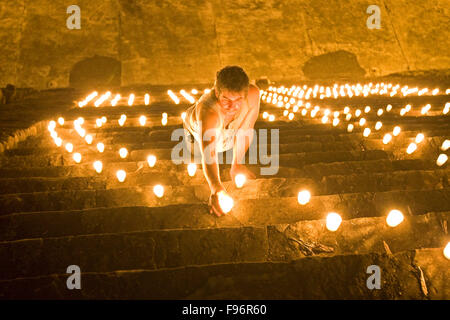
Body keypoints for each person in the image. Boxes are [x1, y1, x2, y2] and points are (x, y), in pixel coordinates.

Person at [183, 66, 261, 217]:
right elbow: (209, 153)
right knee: (195, 151)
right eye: (226, 99)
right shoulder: (209, 112)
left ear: (245, 94)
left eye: (238, 99)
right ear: (217, 92)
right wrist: (216, 187)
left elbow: (247, 128)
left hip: (225, 133)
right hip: (194, 133)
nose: (232, 106)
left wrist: (237, 163)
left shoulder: (253, 94)